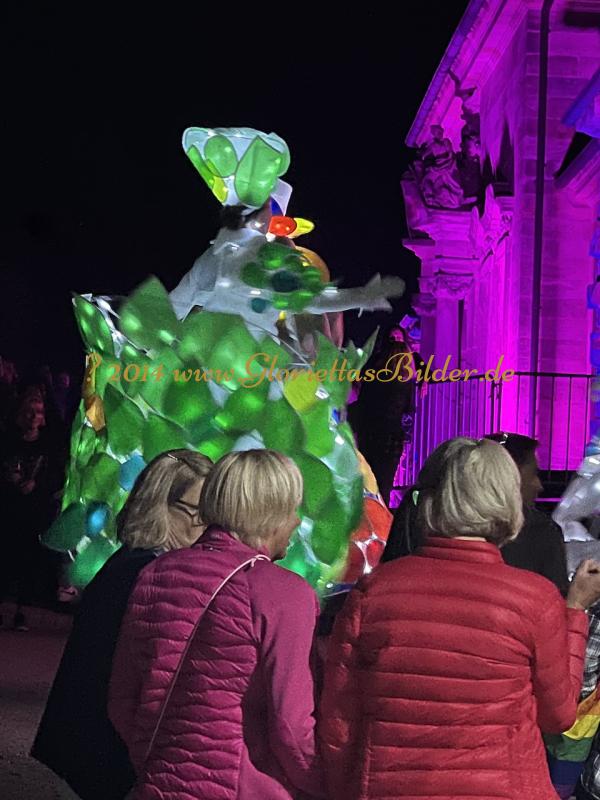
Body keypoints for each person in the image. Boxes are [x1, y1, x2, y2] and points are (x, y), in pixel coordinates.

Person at [320, 436, 600, 800]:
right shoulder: (535, 598)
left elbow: (340, 720)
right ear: (508, 501)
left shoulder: (372, 593)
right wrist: (575, 612)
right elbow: (559, 715)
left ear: (434, 499)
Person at [109, 449, 324, 800]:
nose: (297, 521)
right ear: (270, 512)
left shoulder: (155, 573)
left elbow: (122, 698)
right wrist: (327, 783)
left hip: (159, 783)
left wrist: (163, 763)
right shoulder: (286, 595)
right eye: (292, 509)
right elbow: (291, 728)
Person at [31, 449, 213, 800]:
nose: (204, 525)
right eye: (198, 511)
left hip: (91, 744)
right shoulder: (146, 572)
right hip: (103, 751)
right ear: (160, 504)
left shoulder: (135, 561)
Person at [0, 388, 64, 628]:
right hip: (8, 508)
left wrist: (37, 484)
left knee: (29, 561)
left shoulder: (48, 445)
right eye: (29, 412)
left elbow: (56, 476)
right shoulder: (7, 441)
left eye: (37, 412)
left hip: (35, 511)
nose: (33, 417)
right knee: (5, 558)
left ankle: (22, 611)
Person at [485, 431, 569, 595]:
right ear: (511, 476)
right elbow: (557, 603)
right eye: (534, 474)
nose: (539, 486)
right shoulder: (541, 531)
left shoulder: (444, 528)